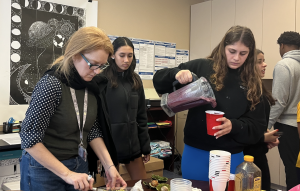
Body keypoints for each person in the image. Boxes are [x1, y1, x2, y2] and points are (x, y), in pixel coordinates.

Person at [152, 25, 279, 181]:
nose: (236, 58)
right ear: (223, 47)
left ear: (250, 54)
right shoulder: (201, 67)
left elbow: (257, 127)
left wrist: (233, 126)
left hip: (231, 156)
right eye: (232, 51)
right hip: (196, 152)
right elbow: (159, 80)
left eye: (243, 53)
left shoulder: (252, 82)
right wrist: (176, 73)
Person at [19, 26, 127, 191]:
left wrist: (109, 166)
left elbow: (92, 130)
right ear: (75, 55)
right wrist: (67, 174)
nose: (97, 71)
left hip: (78, 165)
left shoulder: (91, 86)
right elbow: (29, 138)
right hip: (44, 170)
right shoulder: (52, 84)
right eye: (93, 64)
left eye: (102, 66)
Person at [101, 37, 151, 180]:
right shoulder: (102, 80)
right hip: (110, 150)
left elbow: (141, 116)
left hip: (133, 147)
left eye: (130, 56)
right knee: (113, 188)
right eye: (121, 55)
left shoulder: (135, 80)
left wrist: (145, 146)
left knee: (142, 186)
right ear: (112, 55)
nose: (126, 60)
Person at [267, 31, 300, 190]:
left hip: (286, 126)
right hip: (299, 124)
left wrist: (265, 126)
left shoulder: (284, 65)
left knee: (291, 168)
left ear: (282, 46)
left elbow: (278, 102)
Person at [243, 49, 279, 191]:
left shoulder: (258, 88)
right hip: (247, 157)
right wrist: (262, 137)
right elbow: (241, 128)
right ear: (249, 65)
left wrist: (266, 134)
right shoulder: (245, 92)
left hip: (258, 154)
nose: (265, 65)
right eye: (260, 62)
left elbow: (257, 123)